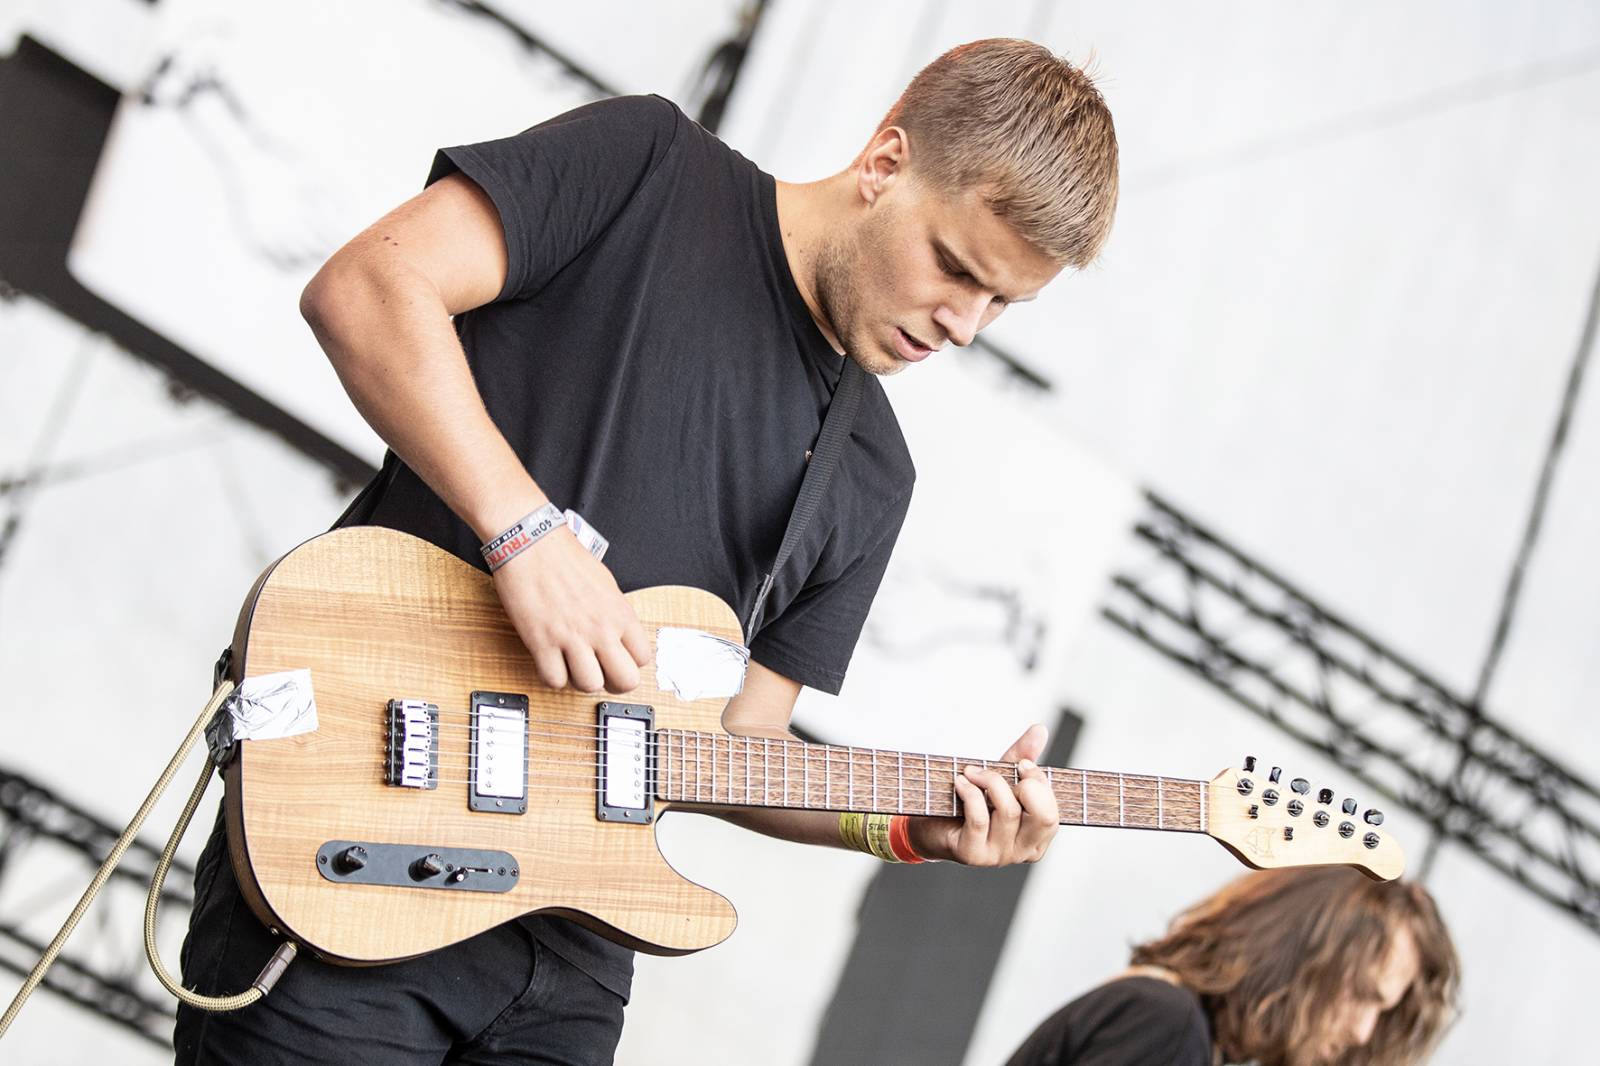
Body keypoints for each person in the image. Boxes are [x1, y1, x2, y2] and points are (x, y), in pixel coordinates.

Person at [175, 37, 1120, 1064]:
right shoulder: (645, 168)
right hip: (367, 856)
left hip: (571, 961)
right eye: (954, 267)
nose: (965, 326)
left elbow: (730, 752)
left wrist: (903, 825)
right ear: (884, 164)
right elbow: (366, 287)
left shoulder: (870, 473)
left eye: (1001, 305)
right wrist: (524, 531)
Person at [1004, 867, 1460, 1066]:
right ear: (1301, 954)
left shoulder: (1178, 1028)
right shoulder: (1170, 1028)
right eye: (1363, 993)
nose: (1363, 1032)